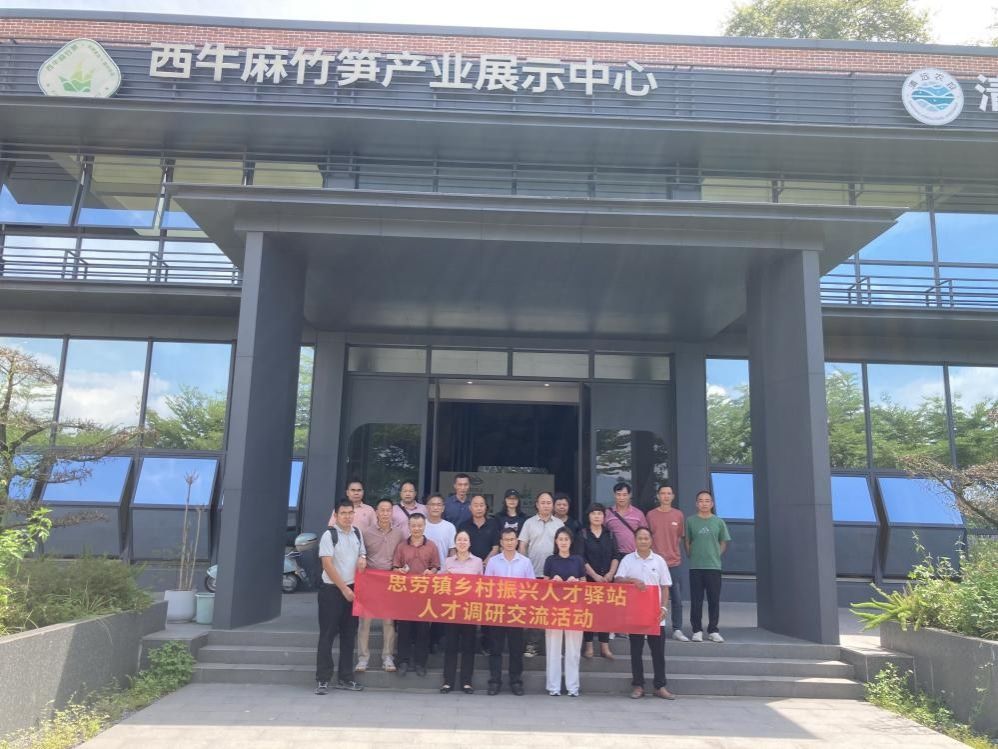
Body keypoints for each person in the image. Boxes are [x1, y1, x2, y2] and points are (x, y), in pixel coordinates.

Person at [616, 527, 675, 700]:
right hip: (635, 612)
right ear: (635, 540)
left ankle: (660, 686)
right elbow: (618, 579)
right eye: (640, 538)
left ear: (651, 540)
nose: (643, 541)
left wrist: (664, 608)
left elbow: (665, 586)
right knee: (636, 651)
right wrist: (632, 580)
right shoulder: (628, 559)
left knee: (658, 652)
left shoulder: (659, 561)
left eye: (646, 538)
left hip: (655, 613)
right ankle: (638, 685)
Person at [315, 499, 367, 695]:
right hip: (332, 590)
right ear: (336, 516)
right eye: (343, 513)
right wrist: (344, 589)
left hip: (353, 590)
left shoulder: (357, 533)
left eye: (350, 513)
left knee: (348, 635)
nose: (347, 516)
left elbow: (362, 553)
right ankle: (323, 679)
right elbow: (327, 564)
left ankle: (346, 677)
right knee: (327, 635)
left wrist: (362, 559)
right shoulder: (329, 535)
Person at [484, 528, 535, 695]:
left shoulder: (525, 562)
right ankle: (494, 681)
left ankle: (516, 681)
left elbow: (531, 588)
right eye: (506, 539)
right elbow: (487, 587)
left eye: (512, 539)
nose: (509, 542)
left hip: (516, 611)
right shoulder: (493, 562)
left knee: (516, 649)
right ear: (501, 542)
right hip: (497, 610)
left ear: (517, 541)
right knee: (495, 649)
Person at [357, 498, 404, 673]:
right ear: (376, 512)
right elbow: (360, 554)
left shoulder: (399, 533)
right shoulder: (366, 533)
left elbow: (402, 555)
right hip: (370, 581)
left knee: (388, 622)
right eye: (382, 510)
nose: (385, 513)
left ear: (392, 512)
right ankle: (363, 659)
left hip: (390, 582)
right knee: (365, 622)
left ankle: (387, 657)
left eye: (388, 510)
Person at [391, 513, 440, 676]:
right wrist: (399, 571)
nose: (417, 529)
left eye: (420, 525)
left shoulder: (431, 546)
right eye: (413, 525)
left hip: (424, 595)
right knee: (404, 630)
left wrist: (431, 571)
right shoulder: (401, 546)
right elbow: (395, 567)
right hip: (405, 594)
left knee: (423, 630)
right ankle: (403, 661)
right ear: (409, 527)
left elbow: (436, 566)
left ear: (424, 526)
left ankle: (420, 663)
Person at [517, 491, 563, 657]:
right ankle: (532, 645)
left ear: (553, 505)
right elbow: (522, 546)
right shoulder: (529, 523)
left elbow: (563, 546)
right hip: (533, 574)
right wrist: (523, 567)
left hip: (554, 575)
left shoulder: (559, 524)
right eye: (542, 502)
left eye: (548, 502)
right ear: (537, 505)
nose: (546, 505)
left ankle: (554, 647)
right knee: (535, 611)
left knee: (553, 611)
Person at [542, 527, 585, 697]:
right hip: (554, 608)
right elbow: (543, 586)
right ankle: (554, 687)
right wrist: (553, 581)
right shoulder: (550, 560)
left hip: (574, 608)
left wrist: (577, 582)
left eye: (566, 539)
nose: (563, 542)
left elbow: (585, 585)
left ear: (571, 541)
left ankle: (573, 687)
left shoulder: (578, 560)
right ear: (556, 541)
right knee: (553, 649)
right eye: (560, 539)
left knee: (573, 650)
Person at [440, 529, 483, 694]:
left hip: (470, 609)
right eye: (459, 540)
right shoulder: (448, 561)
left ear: (470, 543)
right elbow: (441, 585)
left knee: (468, 647)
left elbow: (482, 586)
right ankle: (448, 681)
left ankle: (466, 682)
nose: (462, 542)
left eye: (465, 540)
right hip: (451, 609)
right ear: (455, 543)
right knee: (450, 646)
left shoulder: (477, 562)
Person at [686, 490, 731, 643]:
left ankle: (713, 630)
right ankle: (697, 630)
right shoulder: (690, 521)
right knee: (696, 601)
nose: (704, 503)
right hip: (696, 567)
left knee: (714, 600)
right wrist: (692, 555)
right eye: (701, 500)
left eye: (707, 501)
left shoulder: (719, 522)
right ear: (696, 503)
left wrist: (716, 554)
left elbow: (723, 542)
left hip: (713, 567)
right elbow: (687, 542)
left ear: (712, 504)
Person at [646, 483, 689, 642]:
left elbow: (679, 537)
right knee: (652, 597)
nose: (666, 496)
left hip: (673, 562)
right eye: (663, 493)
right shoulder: (650, 515)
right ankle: (651, 626)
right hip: (654, 562)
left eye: (668, 493)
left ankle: (677, 629)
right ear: (658, 496)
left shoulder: (678, 515)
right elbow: (647, 537)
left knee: (676, 598)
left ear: (673, 496)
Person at [578, 502, 620, 659]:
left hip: (607, 581)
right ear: (588, 516)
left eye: (600, 513)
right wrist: (595, 576)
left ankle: (604, 646)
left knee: (605, 613)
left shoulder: (610, 534)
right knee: (588, 613)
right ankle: (589, 645)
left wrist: (610, 573)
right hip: (589, 580)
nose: (597, 516)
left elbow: (616, 556)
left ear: (604, 517)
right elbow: (581, 558)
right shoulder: (583, 534)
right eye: (593, 513)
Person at [603, 481, 648, 556]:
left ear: (630, 495)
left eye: (624, 495)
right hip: (613, 555)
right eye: (618, 494)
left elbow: (645, 534)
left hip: (634, 554)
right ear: (614, 495)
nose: (621, 498)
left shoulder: (638, 514)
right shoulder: (607, 513)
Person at [457, 494, 499, 564]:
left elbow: (496, 548)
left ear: (485, 507)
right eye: (476, 506)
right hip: (467, 565)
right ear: (470, 508)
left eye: (481, 505)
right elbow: (460, 547)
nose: (479, 508)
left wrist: (485, 563)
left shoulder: (493, 524)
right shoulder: (463, 526)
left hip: (488, 565)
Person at [423, 494, 457, 569]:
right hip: (422, 571)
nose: (435, 508)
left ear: (443, 508)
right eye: (432, 504)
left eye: (439, 505)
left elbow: (452, 550)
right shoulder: (420, 525)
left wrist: (451, 568)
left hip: (443, 571)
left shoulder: (450, 527)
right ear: (427, 507)